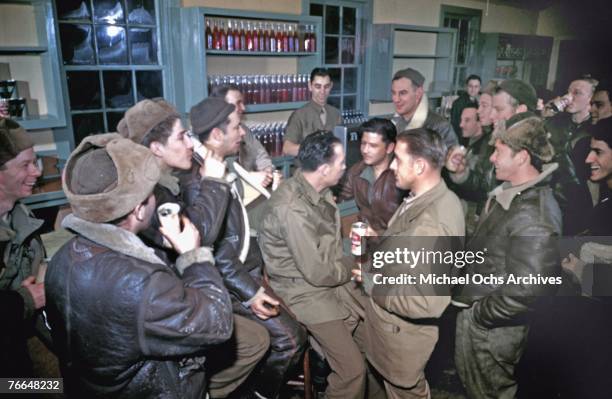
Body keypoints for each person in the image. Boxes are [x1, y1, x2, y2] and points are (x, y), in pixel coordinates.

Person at [45, 134, 236, 398]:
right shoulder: (141, 282)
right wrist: (193, 256)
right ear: (138, 210)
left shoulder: (60, 259)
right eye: (151, 195)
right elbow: (218, 324)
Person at [189, 97, 307, 399]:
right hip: (234, 280)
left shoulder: (217, 163)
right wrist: (250, 292)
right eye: (236, 126)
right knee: (291, 342)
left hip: (249, 268)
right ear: (216, 135)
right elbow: (215, 251)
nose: (243, 132)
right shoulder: (199, 178)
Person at [453, 114, 562, 399]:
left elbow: (526, 290)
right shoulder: (511, 194)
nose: (491, 158)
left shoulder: (535, 215)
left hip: (492, 331)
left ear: (522, 157)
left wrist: (479, 316)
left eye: (498, 151)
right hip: (485, 321)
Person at [356, 128, 465, 399]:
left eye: (399, 160)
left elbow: (427, 301)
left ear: (419, 165)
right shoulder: (433, 197)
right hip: (392, 332)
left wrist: (372, 283)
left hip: (401, 342)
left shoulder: (433, 224)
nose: (392, 166)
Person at [259, 131, 366, 399]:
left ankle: (324, 359)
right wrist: (353, 263)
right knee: (353, 371)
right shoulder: (293, 208)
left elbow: (325, 252)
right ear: (324, 169)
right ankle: (328, 365)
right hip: (304, 292)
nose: (345, 167)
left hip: (322, 280)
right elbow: (318, 272)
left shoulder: (315, 190)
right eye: (341, 162)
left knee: (371, 333)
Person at [117, 98, 231, 254]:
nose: (190, 144)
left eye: (188, 135)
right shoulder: (149, 197)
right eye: (181, 137)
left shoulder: (166, 181)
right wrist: (213, 182)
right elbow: (198, 236)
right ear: (157, 148)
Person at [0, 117, 45, 376]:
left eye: (35, 161)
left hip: (19, 345)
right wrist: (26, 300)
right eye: (25, 165)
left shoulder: (20, 214)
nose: (37, 172)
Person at [545, 76, 599, 234]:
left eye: (577, 93)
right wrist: (547, 114)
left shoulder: (595, 130)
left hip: (577, 204)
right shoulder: (556, 123)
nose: (569, 97)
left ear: (591, 98)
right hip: (551, 199)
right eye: (568, 92)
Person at [337, 117, 407, 234]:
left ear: (389, 147)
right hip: (367, 242)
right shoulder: (356, 171)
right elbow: (343, 199)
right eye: (363, 143)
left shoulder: (403, 175)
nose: (365, 150)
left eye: (373, 146)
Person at [390, 67, 458, 149]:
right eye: (394, 93)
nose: (396, 99)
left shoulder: (440, 127)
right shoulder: (395, 123)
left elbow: (452, 160)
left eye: (403, 93)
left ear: (418, 93)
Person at [283, 68, 342, 156]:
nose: (322, 91)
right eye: (318, 87)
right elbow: (287, 148)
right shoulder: (299, 115)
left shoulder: (336, 114)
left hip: (330, 168)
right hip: (307, 168)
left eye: (326, 86)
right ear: (310, 86)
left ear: (331, 86)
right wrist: (314, 149)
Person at [450, 74, 481, 144]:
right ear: (466, 87)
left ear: (479, 88)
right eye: (470, 86)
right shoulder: (458, 103)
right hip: (463, 139)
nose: (473, 89)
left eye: (476, 87)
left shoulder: (478, 101)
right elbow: (455, 125)